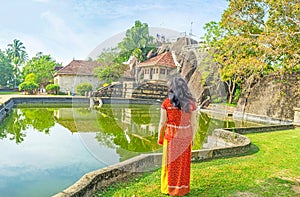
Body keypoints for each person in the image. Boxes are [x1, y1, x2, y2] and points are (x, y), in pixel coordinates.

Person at [157, 76, 197, 196]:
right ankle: (182, 188)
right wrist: (192, 138)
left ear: (172, 88)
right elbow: (194, 123)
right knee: (183, 163)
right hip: (185, 135)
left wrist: (160, 137)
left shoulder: (166, 103)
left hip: (171, 135)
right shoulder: (191, 104)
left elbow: (162, 123)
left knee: (170, 162)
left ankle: (167, 188)